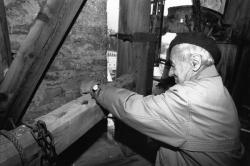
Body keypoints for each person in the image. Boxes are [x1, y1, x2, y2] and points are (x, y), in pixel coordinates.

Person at [91, 32, 244, 166]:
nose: (170, 72)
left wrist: (97, 89)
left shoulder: (189, 97)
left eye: (174, 65)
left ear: (195, 62)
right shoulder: (218, 88)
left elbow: (132, 108)